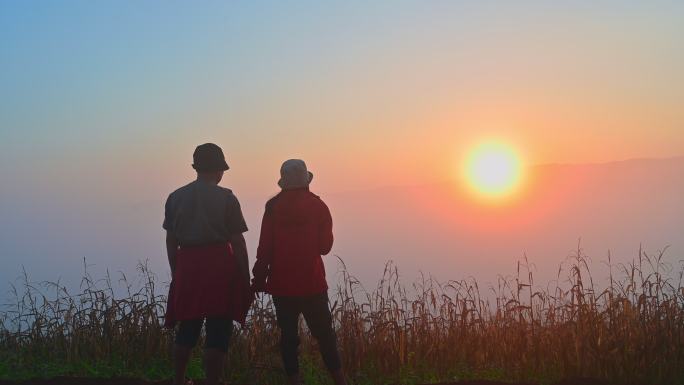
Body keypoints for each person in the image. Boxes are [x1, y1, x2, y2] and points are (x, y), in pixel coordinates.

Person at [163, 143, 252, 385]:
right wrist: (245, 277)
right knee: (218, 327)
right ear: (219, 170)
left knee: (188, 327)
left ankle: (179, 380)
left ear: (197, 168)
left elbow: (171, 240)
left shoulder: (175, 197)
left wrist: (176, 272)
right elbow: (238, 241)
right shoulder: (227, 198)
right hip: (219, 268)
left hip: (188, 266)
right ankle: (213, 380)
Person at [252, 159, 347, 385]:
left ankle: (295, 381)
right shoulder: (318, 206)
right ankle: (340, 381)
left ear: (283, 182)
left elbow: (264, 247)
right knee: (325, 336)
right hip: (312, 283)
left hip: (281, 285)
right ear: (306, 181)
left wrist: (258, 278)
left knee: (288, 338)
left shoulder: (272, 208)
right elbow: (325, 248)